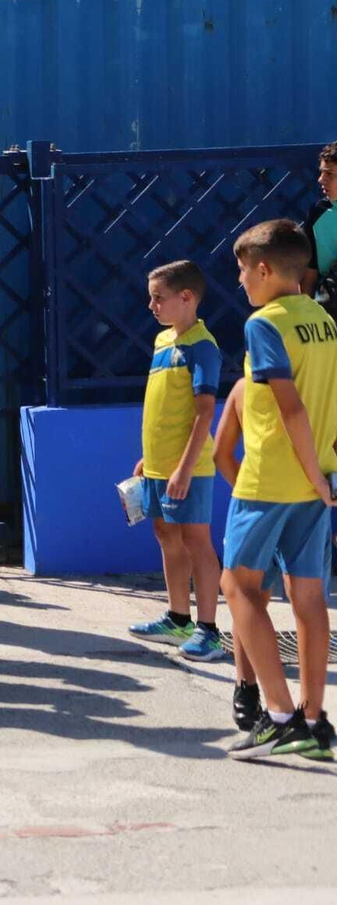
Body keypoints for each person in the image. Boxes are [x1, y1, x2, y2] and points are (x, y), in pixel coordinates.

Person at [219, 219, 337, 759]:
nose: (240, 281)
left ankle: (281, 716)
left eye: (244, 271)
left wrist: (311, 471)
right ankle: (317, 722)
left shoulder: (263, 324)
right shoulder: (325, 319)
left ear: (265, 269)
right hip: (319, 483)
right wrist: (322, 476)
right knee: (309, 597)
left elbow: (289, 405)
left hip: (270, 478)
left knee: (237, 587)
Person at [124, 259, 225, 661]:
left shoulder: (203, 347)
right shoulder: (163, 342)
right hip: (159, 467)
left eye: (158, 298)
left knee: (196, 541)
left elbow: (204, 412)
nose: (152, 306)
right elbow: (165, 407)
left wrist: (184, 467)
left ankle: (210, 630)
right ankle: (178, 617)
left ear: (186, 298)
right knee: (166, 536)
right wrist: (150, 458)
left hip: (189, 469)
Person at [211, 377, 269, 732]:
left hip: (257, 504)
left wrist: (246, 489)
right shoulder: (319, 386)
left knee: (246, 596)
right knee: (306, 602)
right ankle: (308, 711)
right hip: (306, 503)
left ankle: (248, 690)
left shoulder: (245, 387)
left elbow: (221, 454)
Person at [297, 141, 337, 309]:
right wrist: (305, 313)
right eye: (321, 172)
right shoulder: (318, 212)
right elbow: (309, 269)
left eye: (329, 174)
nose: (321, 179)